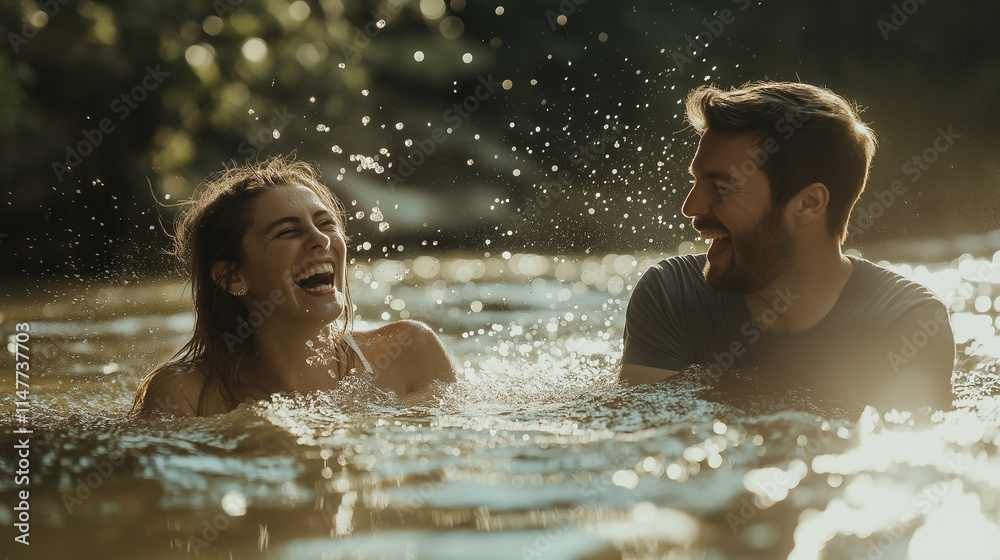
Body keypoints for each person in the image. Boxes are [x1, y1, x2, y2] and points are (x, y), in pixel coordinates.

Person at [619, 81, 955, 411]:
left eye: (721, 188)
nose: (690, 207)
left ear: (809, 204)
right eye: (696, 181)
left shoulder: (908, 323)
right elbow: (648, 444)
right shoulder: (671, 295)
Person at [131, 155, 456, 416]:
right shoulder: (186, 396)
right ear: (232, 277)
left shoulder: (409, 352)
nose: (319, 238)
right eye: (288, 231)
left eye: (326, 222)